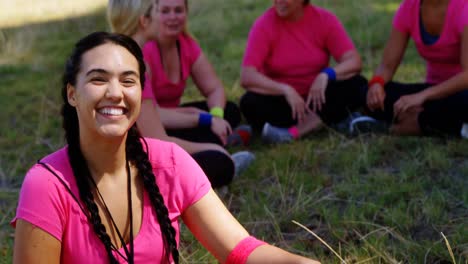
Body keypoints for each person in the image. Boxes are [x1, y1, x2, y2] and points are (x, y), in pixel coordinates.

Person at [11, 32, 320, 264]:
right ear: (72, 94)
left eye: (128, 81)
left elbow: (240, 250)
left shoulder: (169, 163)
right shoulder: (46, 186)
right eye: (98, 79)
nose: (115, 93)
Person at [107, 0, 254, 188]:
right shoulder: (132, 65)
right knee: (220, 162)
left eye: (178, 10)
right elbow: (159, 141)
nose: (165, 17)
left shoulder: (125, 57)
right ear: (144, 20)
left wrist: (204, 117)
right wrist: (214, 147)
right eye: (160, 11)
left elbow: (213, 88)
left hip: (130, 150)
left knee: (226, 114)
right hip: (127, 162)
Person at [240, 0, 368, 143]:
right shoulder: (264, 25)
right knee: (249, 102)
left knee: (357, 83)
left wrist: (326, 74)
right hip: (285, 104)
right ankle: (330, 120)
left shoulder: (324, 19)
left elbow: (354, 61)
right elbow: (247, 76)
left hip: (319, 98)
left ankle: (292, 133)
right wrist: (285, 89)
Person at [142, 0, 250, 147]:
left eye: (178, 11)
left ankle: (220, 135)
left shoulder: (186, 45)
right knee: (197, 130)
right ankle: (222, 139)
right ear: (153, 14)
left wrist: (216, 115)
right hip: (154, 123)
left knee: (230, 109)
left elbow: (214, 88)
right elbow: (154, 115)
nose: (173, 17)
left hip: (178, 117)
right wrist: (203, 119)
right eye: (165, 11)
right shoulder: (145, 50)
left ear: (186, 13)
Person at [366, 0, 468, 136]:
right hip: (431, 93)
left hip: (460, 92)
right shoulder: (408, 8)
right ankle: (440, 123)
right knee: (370, 93)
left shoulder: (464, 9)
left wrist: (422, 96)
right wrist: (377, 84)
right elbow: (387, 66)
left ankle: (410, 126)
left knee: (462, 101)